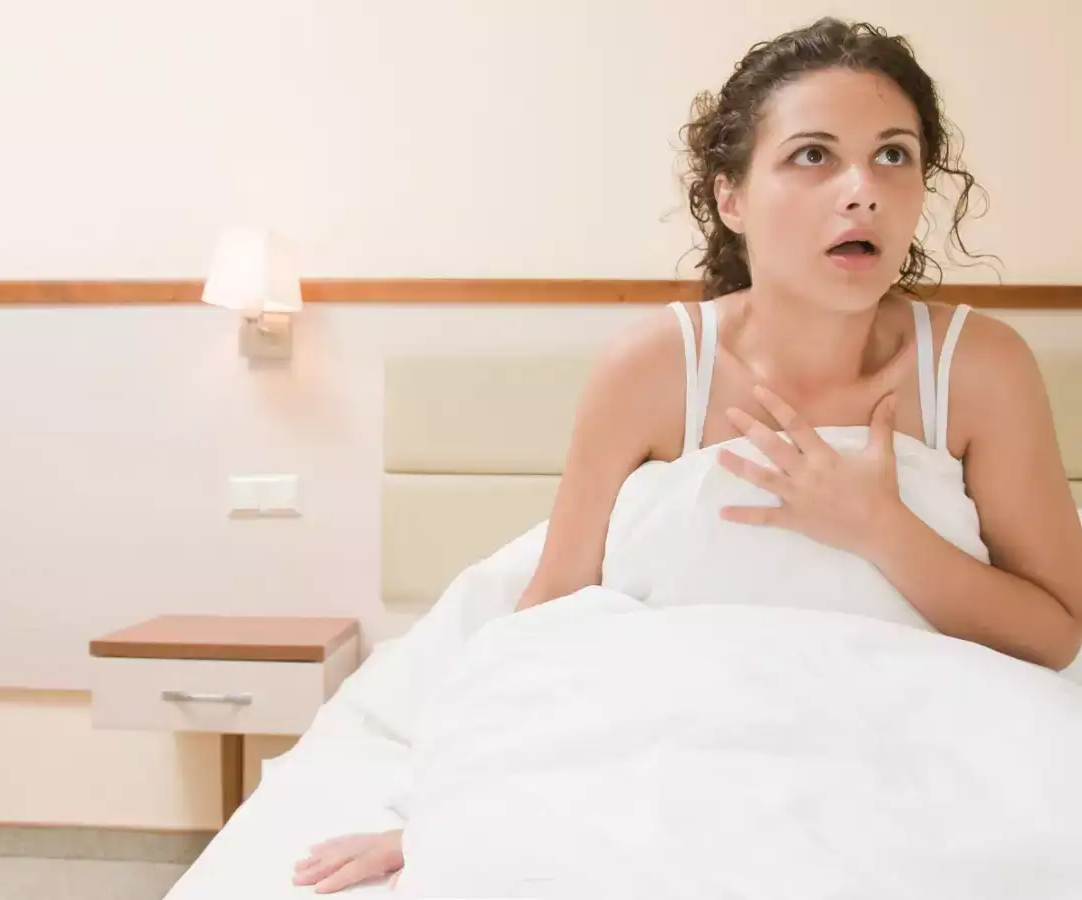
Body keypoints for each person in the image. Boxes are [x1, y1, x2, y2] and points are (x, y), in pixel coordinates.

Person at [292, 16, 1082, 894]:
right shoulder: (652, 368)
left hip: (929, 737)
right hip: (667, 729)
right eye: (813, 155)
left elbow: (1054, 634)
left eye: (893, 155)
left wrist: (879, 529)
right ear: (732, 197)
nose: (862, 189)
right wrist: (450, 799)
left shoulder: (980, 370)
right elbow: (551, 608)